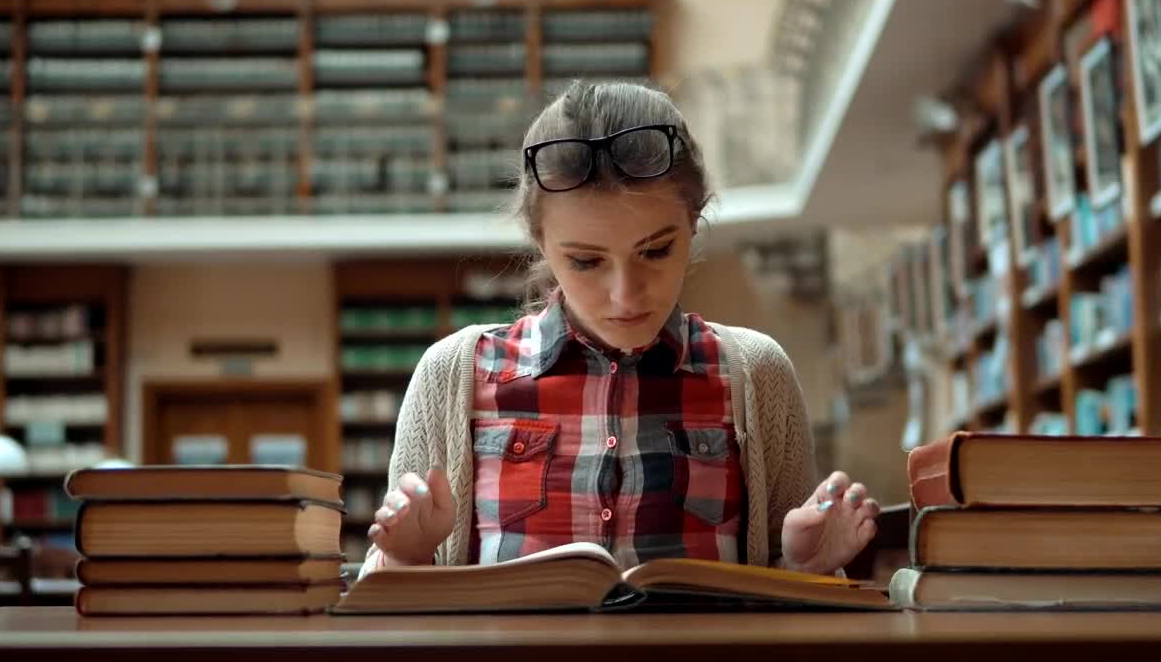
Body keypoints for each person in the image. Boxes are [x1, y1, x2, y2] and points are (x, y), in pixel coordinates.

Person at [362, 80, 879, 576]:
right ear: (540, 242)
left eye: (656, 250)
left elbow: (790, 624)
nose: (625, 295)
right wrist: (404, 561)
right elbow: (385, 620)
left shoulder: (757, 375)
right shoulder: (453, 375)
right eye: (586, 261)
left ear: (695, 221)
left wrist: (804, 567)